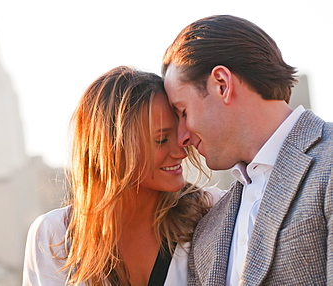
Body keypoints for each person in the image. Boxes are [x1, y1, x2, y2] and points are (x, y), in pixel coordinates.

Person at [162, 15, 333, 285]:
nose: (181, 137)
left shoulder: (329, 163)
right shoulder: (208, 227)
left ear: (222, 84)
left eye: (183, 112)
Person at [22, 66, 225, 286]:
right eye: (161, 139)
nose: (181, 152)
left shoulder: (210, 211)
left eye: (178, 134)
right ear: (114, 150)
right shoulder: (55, 235)